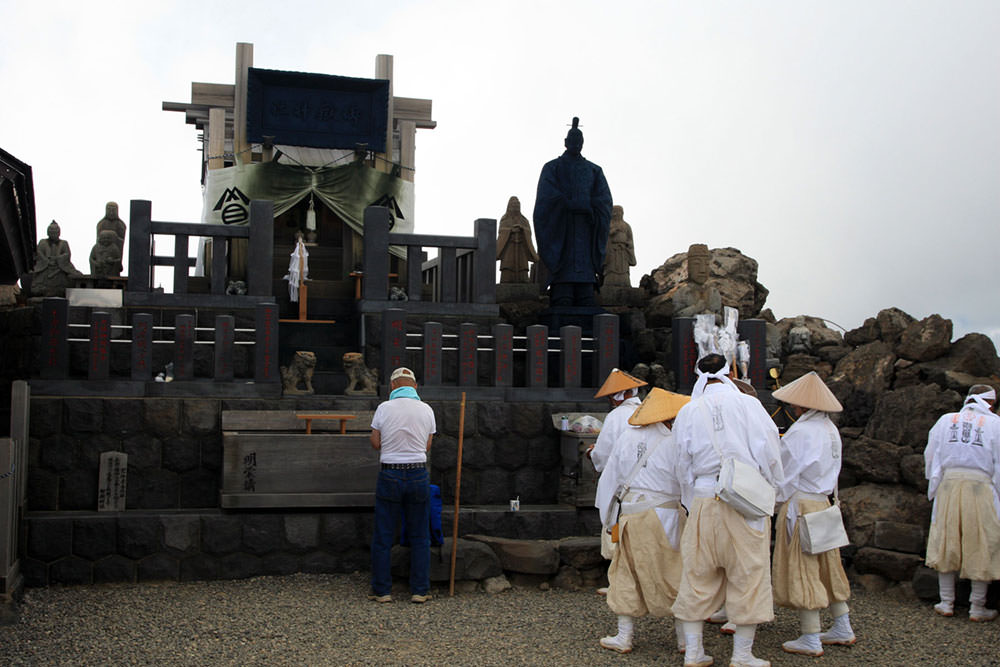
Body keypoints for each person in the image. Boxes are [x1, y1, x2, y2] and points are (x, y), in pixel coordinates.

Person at [671, 353, 783, 667]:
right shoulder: (749, 405)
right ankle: (742, 655)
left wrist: (691, 500)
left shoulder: (689, 410)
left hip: (704, 498)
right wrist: (770, 490)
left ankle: (694, 652)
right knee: (749, 573)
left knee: (697, 574)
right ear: (730, 372)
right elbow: (771, 451)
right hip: (745, 499)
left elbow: (681, 463)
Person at [598, 388, 690, 655]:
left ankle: (624, 636)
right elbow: (686, 480)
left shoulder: (627, 437)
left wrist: (607, 519)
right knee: (675, 571)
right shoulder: (675, 441)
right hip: (666, 514)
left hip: (631, 513)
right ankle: (685, 639)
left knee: (625, 571)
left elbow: (610, 480)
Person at [770, 372, 855, 656]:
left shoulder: (802, 432)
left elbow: (785, 473)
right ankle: (842, 624)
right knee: (828, 564)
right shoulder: (830, 429)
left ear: (802, 406)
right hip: (824, 501)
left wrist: (774, 502)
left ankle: (811, 635)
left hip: (802, 503)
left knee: (803, 565)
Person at [923, 384, 1000, 622]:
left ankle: (946, 602)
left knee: (946, 539)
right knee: (982, 542)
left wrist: (934, 482)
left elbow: (931, 454)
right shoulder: (996, 424)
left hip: (949, 484)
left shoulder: (946, 420)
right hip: (981, 487)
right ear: (990, 403)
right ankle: (976, 608)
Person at [368, 367, 437, 604]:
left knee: (383, 535)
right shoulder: (427, 409)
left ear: (393, 386)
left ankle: (382, 591)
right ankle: (419, 589)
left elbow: (376, 442)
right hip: (418, 472)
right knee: (420, 535)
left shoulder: (384, 408)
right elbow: (427, 445)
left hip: (390, 473)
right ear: (415, 387)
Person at [533, 117, 613, 307]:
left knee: (586, 294)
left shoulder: (594, 170)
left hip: (586, 228)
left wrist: (589, 206)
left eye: (579, 141)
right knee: (564, 294)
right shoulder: (552, 168)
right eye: (572, 140)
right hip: (563, 227)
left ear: (583, 144)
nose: (576, 144)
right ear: (565, 142)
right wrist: (567, 203)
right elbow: (546, 198)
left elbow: (604, 200)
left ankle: (586, 288)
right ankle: (562, 289)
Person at [588, 368, 648, 564]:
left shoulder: (616, 416)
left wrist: (592, 454)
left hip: (620, 483)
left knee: (617, 527)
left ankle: (620, 579)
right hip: (649, 485)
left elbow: (604, 454)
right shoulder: (649, 411)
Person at [31, 220, 83, 297]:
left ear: (59, 233)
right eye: (51, 232)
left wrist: (58, 258)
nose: (53, 234)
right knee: (37, 279)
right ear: (48, 232)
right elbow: (39, 252)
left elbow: (67, 254)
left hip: (60, 267)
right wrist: (47, 260)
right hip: (45, 266)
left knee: (72, 278)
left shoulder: (64, 243)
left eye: (55, 232)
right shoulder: (42, 242)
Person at [496, 196, 539, 284]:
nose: (515, 207)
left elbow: (528, 232)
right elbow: (501, 231)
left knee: (522, 267)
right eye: (513, 205)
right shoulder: (505, 219)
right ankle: (507, 279)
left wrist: (523, 229)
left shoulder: (524, 220)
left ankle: (523, 279)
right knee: (507, 267)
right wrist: (510, 230)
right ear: (509, 206)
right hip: (509, 246)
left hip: (521, 246)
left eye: (517, 205)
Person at [602, 205, 636, 287]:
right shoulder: (608, 224)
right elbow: (603, 237)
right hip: (612, 251)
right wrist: (612, 232)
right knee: (611, 269)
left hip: (623, 251)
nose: (617, 214)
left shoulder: (626, 226)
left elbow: (630, 239)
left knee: (624, 269)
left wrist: (628, 244)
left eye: (619, 212)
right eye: (615, 212)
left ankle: (625, 282)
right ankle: (609, 282)